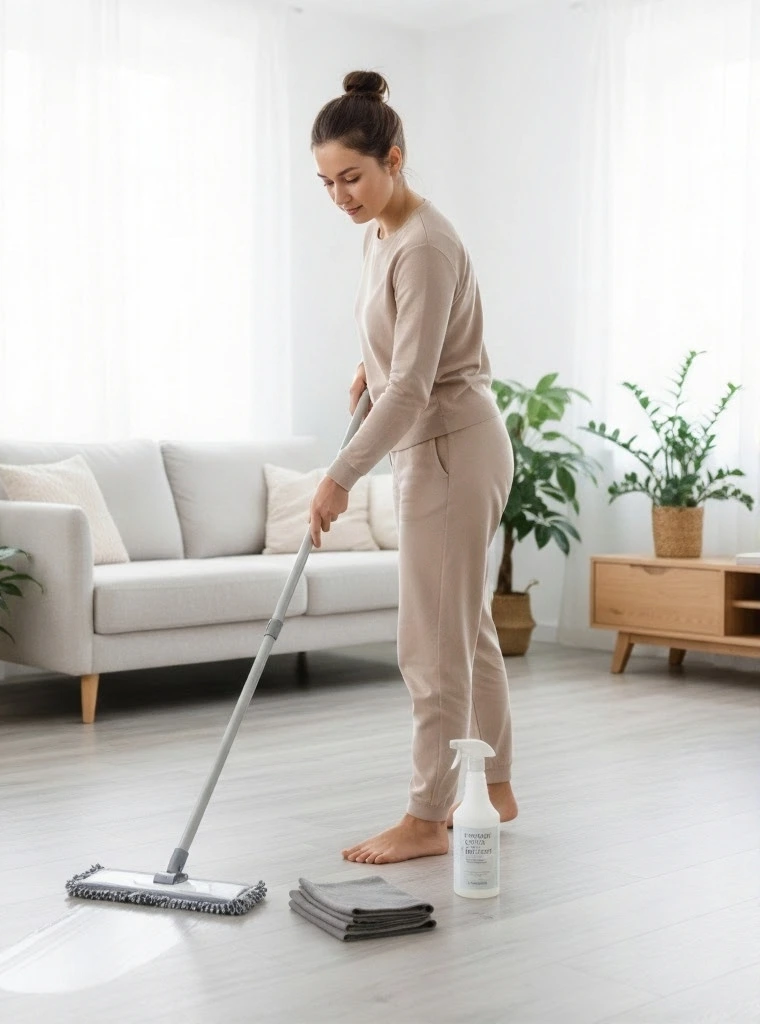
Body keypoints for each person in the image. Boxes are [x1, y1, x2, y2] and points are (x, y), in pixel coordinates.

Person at [307, 70, 519, 864]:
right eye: (327, 182)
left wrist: (338, 476)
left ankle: (429, 817)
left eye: (352, 177)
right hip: (441, 444)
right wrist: (370, 363)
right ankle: (491, 792)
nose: (340, 196)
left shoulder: (424, 243)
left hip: (449, 449)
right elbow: (401, 349)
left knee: (430, 645)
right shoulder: (382, 234)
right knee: (468, 633)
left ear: (395, 158)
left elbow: (417, 385)